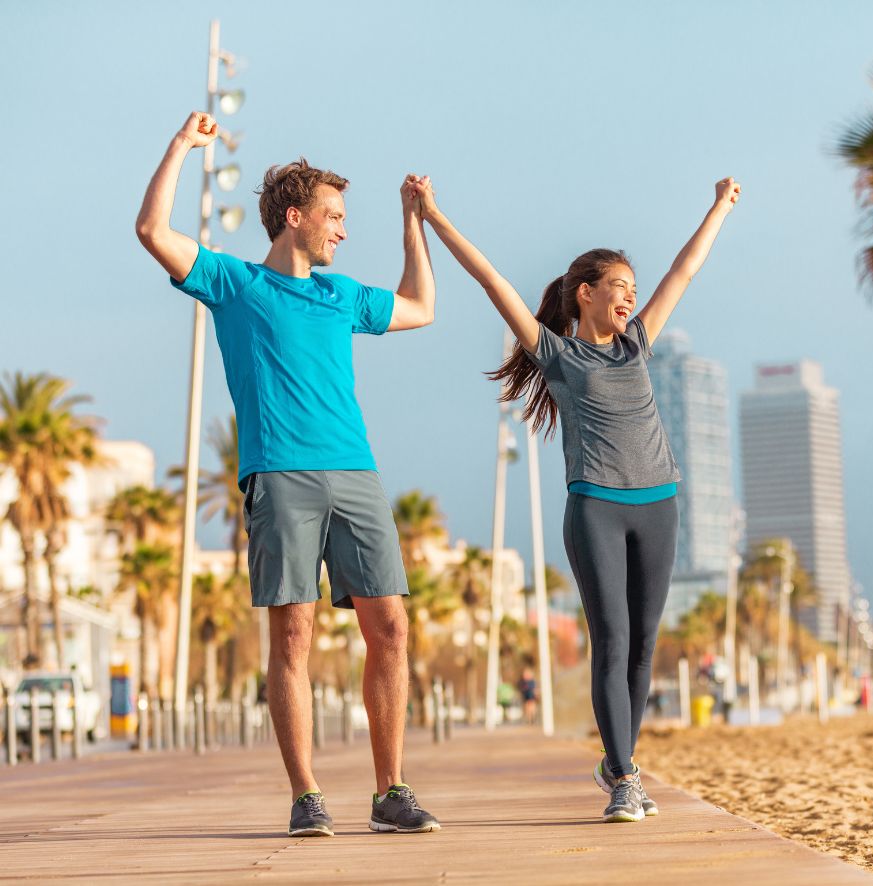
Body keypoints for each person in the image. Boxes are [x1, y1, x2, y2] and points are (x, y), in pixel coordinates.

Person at [136, 111, 441, 837]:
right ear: (294, 217)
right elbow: (152, 231)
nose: (341, 229)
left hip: (356, 474)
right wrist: (181, 146)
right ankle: (307, 795)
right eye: (333, 216)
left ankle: (390, 791)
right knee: (294, 636)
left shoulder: (343, 297)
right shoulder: (235, 283)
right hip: (280, 475)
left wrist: (412, 222)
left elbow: (423, 307)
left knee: (391, 628)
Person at [412, 173, 740, 823]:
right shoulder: (556, 354)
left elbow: (686, 268)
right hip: (595, 505)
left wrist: (719, 206)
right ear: (585, 294)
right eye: (618, 287)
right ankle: (624, 779)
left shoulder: (638, 342)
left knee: (645, 645)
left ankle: (619, 764)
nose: (631, 297)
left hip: (659, 502)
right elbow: (492, 282)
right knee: (612, 639)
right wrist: (433, 214)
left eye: (634, 290)